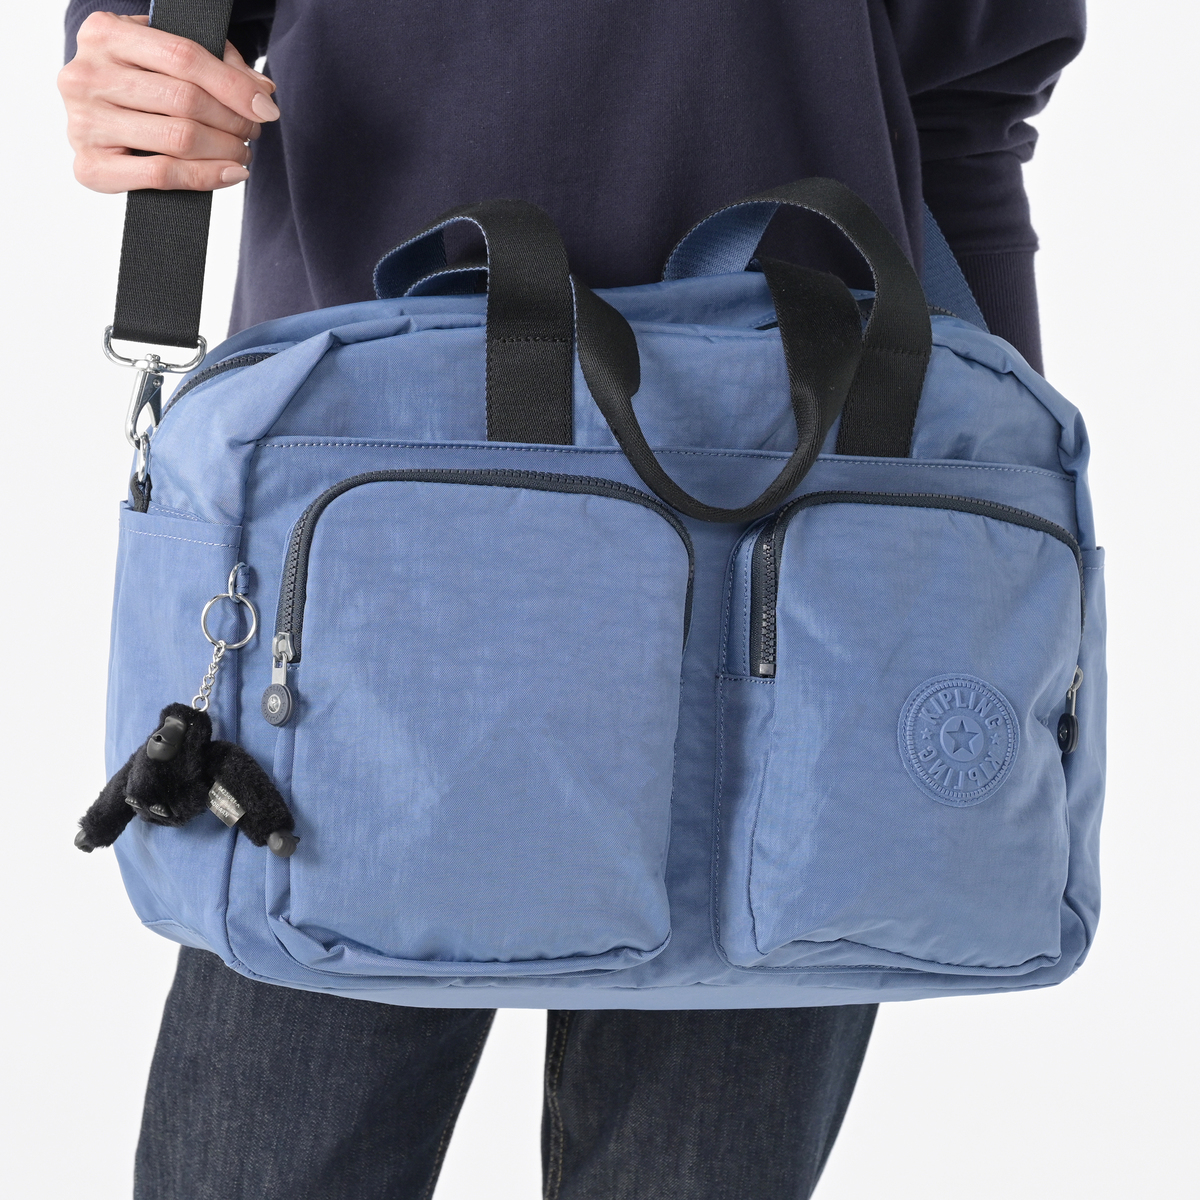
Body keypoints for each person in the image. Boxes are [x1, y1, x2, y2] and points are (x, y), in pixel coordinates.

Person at [58, 4, 1085, 1197]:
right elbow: (164, 41)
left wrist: (990, 489)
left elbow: (966, 100)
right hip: (379, 532)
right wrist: (130, 60)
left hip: (812, 535)